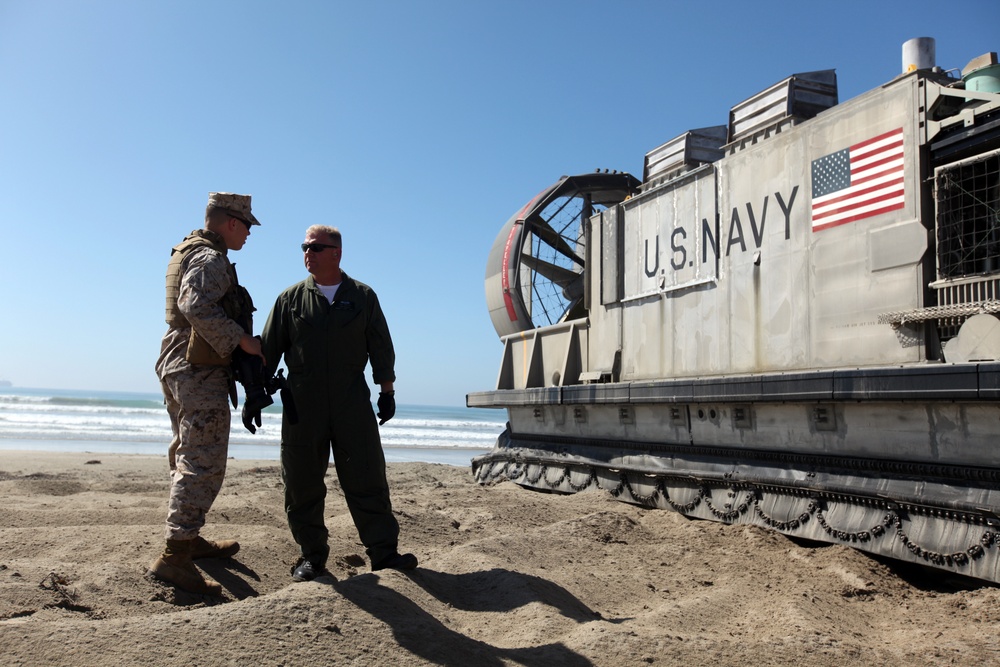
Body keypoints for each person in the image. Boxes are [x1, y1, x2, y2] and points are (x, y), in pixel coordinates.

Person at [258, 224, 416, 581]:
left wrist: (387, 391)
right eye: (304, 247)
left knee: (367, 477)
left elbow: (381, 346)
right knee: (301, 483)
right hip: (302, 405)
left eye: (314, 247)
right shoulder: (290, 299)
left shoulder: (362, 296)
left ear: (336, 253)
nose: (307, 254)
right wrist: (256, 394)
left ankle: (384, 553)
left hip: (351, 402)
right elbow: (268, 351)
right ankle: (312, 556)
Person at [149, 192, 265, 595]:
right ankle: (175, 555)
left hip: (179, 360)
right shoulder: (210, 258)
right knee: (202, 460)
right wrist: (242, 342)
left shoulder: (191, 249)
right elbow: (194, 304)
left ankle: (188, 537)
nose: (249, 233)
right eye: (247, 225)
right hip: (197, 368)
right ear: (231, 221)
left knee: (187, 452)